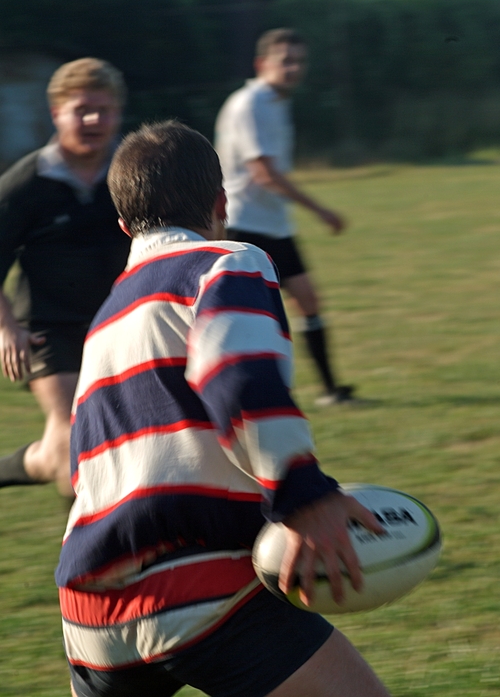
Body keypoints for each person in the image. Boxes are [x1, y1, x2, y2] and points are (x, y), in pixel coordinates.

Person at [57, 120, 390, 697]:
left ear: (123, 225)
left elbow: (82, 466)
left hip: (90, 613)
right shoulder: (227, 263)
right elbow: (236, 376)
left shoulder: (104, 319)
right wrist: (304, 496)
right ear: (221, 202)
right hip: (202, 585)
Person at [0, 57, 131, 497]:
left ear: (118, 113)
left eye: (104, 109)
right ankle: (87, 560)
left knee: (123, 439)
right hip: (47, 329)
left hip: (119, 323)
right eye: (81, 110)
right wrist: (6, 328)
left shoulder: (130, 175)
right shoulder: (25, 184)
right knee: (74, 437)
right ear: (56, 114)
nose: (93, 120)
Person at [215, 28, 354, 406]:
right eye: (285, 60)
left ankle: (330, 391)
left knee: (307, 300)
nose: (294, 68)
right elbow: (264, 173)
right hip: (245, 224)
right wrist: (321, 210)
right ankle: (246, 398)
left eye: (299, 60)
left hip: (273, 223)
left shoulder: (275, 102)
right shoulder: (250, 104)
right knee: (251, 317)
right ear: (262, 64)